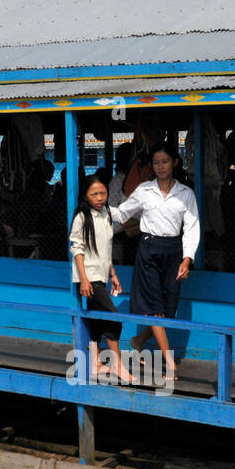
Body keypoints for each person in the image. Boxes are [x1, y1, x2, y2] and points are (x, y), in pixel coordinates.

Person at [111, 141, 200, 382]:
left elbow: (192, 228)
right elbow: (122, 213)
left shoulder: (186, 194)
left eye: (165, 161)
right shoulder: (143, 191)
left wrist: (187, 259)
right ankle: (169, 363)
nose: (160, 167)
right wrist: (98, 208)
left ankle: (138, 341)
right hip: (149, 250)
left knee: (168, 310)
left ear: (175, 163)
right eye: (156, 163)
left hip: (174, 251)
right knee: (157, 310)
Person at [70, 173, 133, 384]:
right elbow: (77, 249)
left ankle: (95, 363)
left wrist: (113, 274)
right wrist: (84, 279)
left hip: (102, 276)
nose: (99, 197)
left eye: (102, 193)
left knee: (97, 320)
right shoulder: (81, 216)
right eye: (94, 194)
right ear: (85, 196)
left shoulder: (106, 213)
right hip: (89, 277)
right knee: (113, 317)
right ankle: (116, 364)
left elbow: (106, 250)